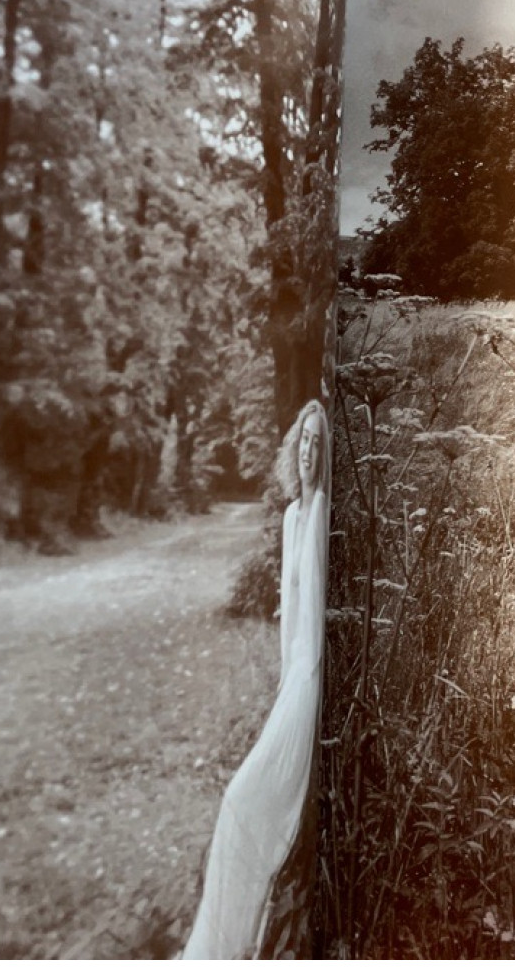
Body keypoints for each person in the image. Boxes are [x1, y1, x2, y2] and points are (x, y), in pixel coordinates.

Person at [182, 399, 331, 959]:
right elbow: (290, 617)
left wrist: (302, 696)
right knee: (236, 805)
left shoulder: (322, 515)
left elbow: (315, 627)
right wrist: (285, 687)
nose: (310, 453)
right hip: (292, 678)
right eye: (304, 443)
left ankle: (229, 948)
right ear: (295, 450)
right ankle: (222, 948)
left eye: (319, 443)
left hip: (308, 684)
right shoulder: (295, 515)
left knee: (241, 803)